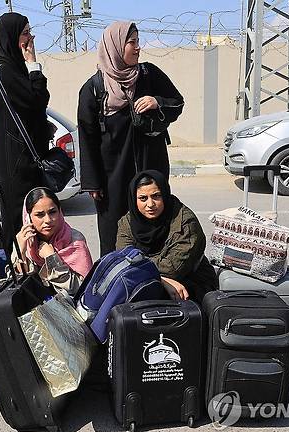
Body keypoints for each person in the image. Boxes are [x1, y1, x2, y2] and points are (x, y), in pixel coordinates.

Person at [78, 21, 184, 257]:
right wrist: (93, 182)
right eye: (131, 42)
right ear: (115, 46)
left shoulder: (149, 75)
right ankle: (116, 284)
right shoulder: (93, 89)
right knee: (114, 235)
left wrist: (158, 102)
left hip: (151, 166)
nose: (138, 47)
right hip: (112, 177)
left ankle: (156, 277)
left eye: (138, 41)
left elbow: (177, 102)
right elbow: (87, 137)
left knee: (154, 227)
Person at [0, 12, 51, 258]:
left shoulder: (16, 69)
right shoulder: (5, 71)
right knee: (21, 219)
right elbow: (37, 99)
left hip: (29, 161)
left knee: (37, 217)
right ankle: (16, 271)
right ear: (12, 37)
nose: (31, 37)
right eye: (25, 32)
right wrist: (33, 64)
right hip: (18, 165)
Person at [116, 170, 217, 303]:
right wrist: (164, 281)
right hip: (151, 282)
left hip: (189, 283)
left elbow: (172, 269)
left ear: (165, 194)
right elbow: (124, 260)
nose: (150, 204)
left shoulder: (185, 222)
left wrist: (145, 270)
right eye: (143, 198)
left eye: (156, 196)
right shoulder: (127, 222)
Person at [13, 187, 93, 297]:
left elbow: (83, 288)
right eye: (40, 215)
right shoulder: (24, 240)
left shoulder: (74, 240)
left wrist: (52, 259)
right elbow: (17, 285)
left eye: (52, 212)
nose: (48, 220)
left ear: (60, 212)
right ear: (28, 217)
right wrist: (20, 253)